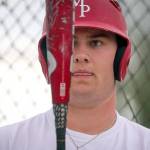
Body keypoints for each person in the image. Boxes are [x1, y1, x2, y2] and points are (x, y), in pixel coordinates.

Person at [0, 0, 150, 150]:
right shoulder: (8, 142)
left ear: (120, 58)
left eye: (96, 43)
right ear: (47, 59)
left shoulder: (144, 143)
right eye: (70, 43)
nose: (80, 56)